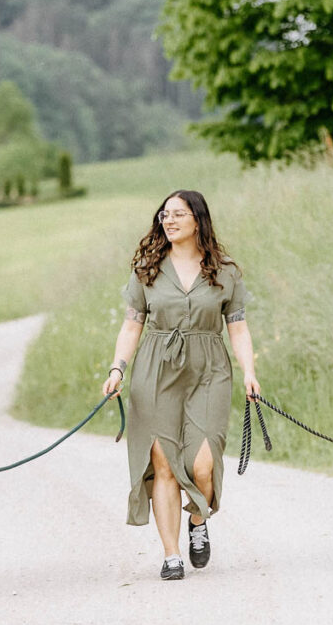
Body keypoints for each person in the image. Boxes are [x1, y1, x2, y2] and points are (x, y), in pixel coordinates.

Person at [102, 190, 260, 580]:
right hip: (156, 369)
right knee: (164, 464)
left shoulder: (224, 272)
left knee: (202, 463)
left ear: (197, 220)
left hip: (209, 370)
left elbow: (237, 328)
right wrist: (118, 368)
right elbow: (131, 324)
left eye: (177, 214)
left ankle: (198, 520)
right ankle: (172, 555)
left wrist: (249, 372)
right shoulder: (147, 270)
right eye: (164, 215)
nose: (168, 221)